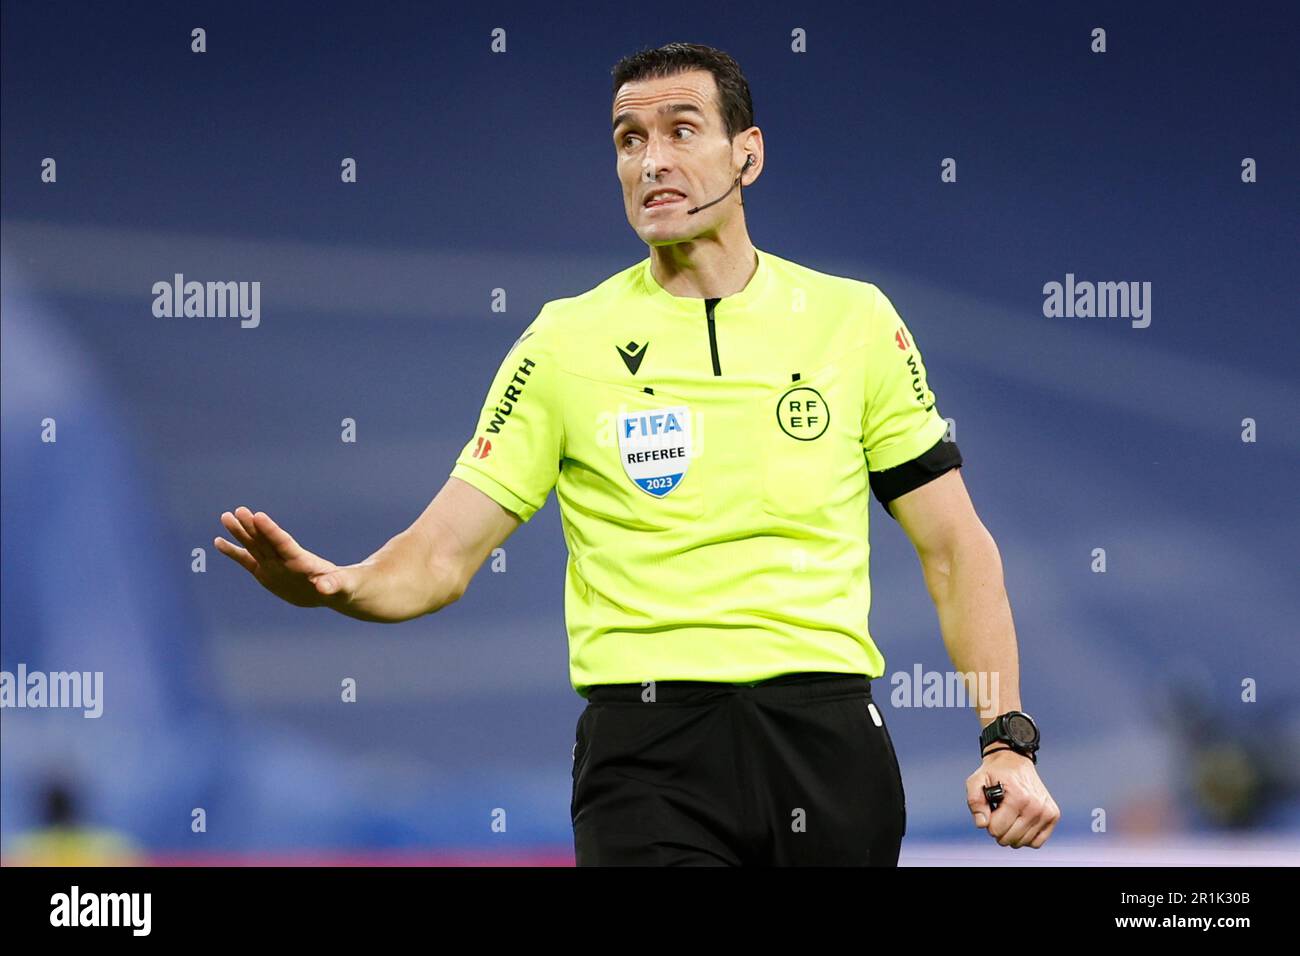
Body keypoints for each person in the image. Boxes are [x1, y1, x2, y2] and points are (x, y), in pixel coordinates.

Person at [215, 42, 1059, 865]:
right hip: (648, 756)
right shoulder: (564, 341)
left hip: (826, 740)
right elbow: (440, 555)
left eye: (682, 130)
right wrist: (340, 587)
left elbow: (954, 547)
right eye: (630, 140)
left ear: (747, 155)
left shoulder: (856, 321)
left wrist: (1006, 737)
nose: (652, 160)